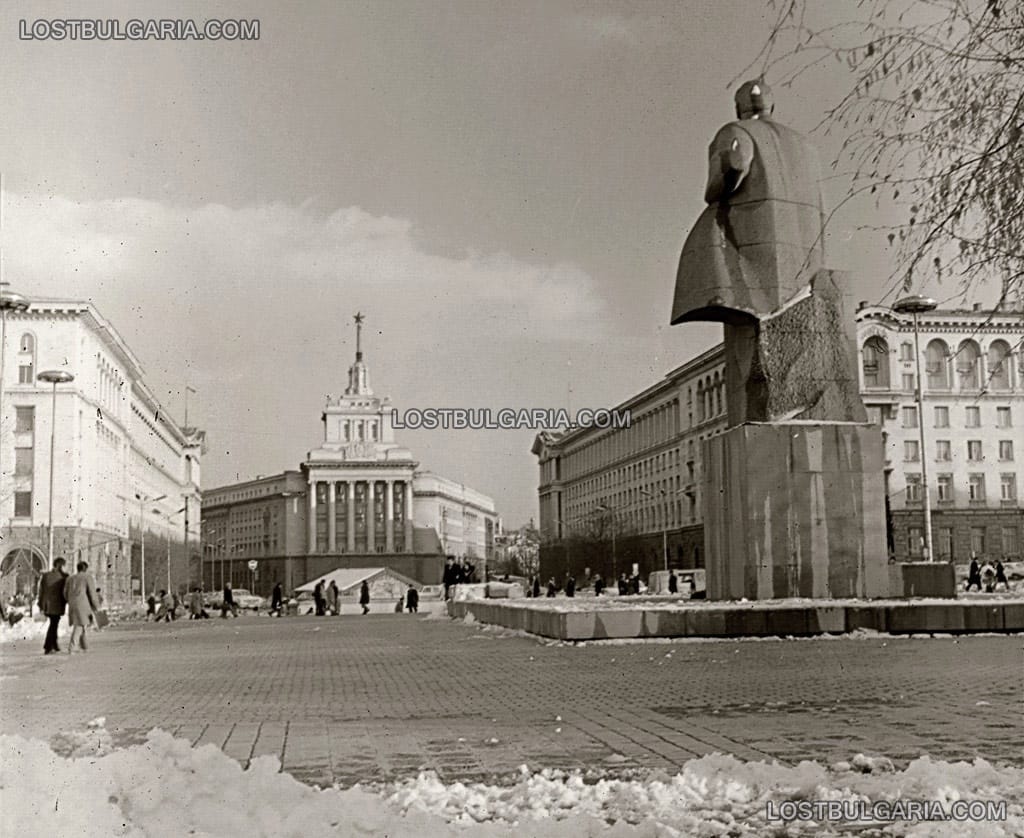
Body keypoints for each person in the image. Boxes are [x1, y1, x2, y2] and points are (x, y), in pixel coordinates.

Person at [63, 561, 99, 653]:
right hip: (83, 605)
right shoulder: (87, 577)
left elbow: (65, 593)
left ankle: (84, 646)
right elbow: (92, 593)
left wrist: (70, 600)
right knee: (80, 625)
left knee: (81, 623)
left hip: (72, 604)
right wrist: (96, 605)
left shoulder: (70, 578)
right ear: (85, 569)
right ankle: (72, 647)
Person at [37, 557, 69, 655]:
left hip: (47, 604)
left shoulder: (46, 575)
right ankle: (48, 646)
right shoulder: (63, 577)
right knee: (53, 625)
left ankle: (54, 644)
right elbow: (65, 591)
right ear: (61, 566)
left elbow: (41, 591)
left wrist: (41, 604)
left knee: (54, 624)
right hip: (56, 604)